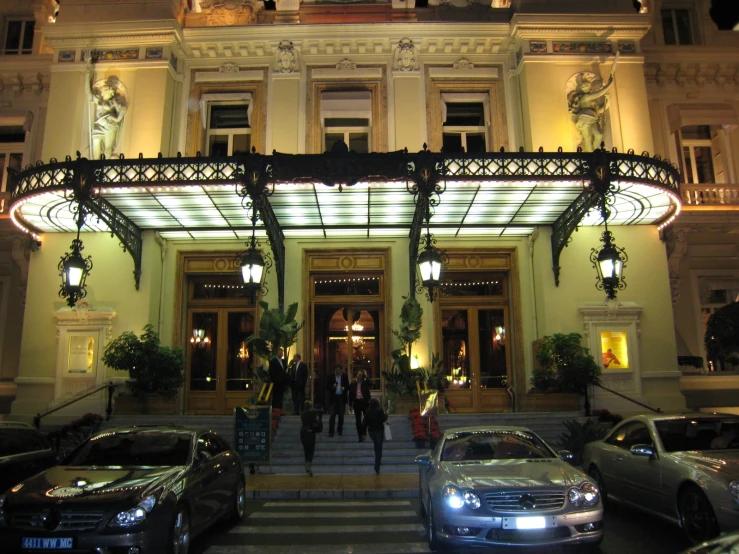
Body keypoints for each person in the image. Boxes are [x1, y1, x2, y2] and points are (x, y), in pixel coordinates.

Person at [567, 55, 618, 152]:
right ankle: (590, 157)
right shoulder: (585, 98)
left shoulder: (592, 103)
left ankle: (594, 153)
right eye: (583, 86)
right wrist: (609, 85)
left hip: (593, 118)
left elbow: (601, 110)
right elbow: (600, 93)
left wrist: (609, 99)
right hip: (584, 119)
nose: (584, 87)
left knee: (599, 135)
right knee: (587, 138)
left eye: (586, 86)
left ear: (590, 87)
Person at [363, 398, 388, 474]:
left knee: (376, 445)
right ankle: (377, 464)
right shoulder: (379, 410)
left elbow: (364, 423)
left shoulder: (368, 412)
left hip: (371, 431)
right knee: (379, 448)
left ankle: (377, 463)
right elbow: (383, 419)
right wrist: (386, 414)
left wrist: (364, 433)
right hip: (379, 431)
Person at [300, 400, 323, 476]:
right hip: (310, 432)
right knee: (311, 450)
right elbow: (316, 420)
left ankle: (307, 464)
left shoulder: (302, 414)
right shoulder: (312, 413)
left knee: (306, 450)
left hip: (303, 432)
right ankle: (308, 465)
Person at [326, 364, 349, 437]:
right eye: (336, 370)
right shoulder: (331, 376)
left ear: (341, 370)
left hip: (341, 397)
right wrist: (332, 386)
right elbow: (326, 386)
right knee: (332, 415)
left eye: (339, 370)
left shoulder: (344, 376)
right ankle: (331, 432)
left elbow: (348, 386)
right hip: (334, 398)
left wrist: (344, 388)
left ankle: (340, 431)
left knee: (341, 415)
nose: (337, 371)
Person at [348, 369, 371, 442]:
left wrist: (366, 376)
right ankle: (360, 436)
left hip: (364, 402)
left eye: (360, 374)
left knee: (366, 419)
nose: (358, 375)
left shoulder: (365, 382)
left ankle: (364, 432)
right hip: (357, 402)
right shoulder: (353, 383)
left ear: (362, 376)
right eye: (358, 374)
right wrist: (350, 405)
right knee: (358, 421)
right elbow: (350, 395)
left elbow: (371, 383)